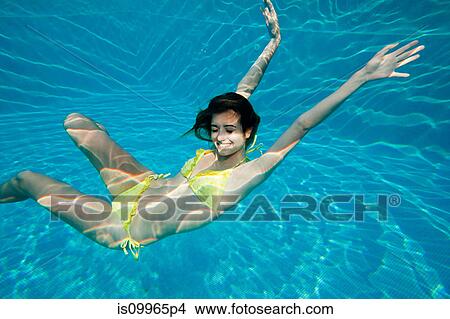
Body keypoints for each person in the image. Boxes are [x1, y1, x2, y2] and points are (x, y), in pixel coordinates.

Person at [0, 0, 424, 260]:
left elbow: (303, 123)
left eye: (231, 132)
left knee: (27, 179)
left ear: (250, 136)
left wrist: (361, 77)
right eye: (217, 130)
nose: (221, 137)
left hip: (120, 226)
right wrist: (274, 43)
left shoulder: (251, 172)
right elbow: (246, 87)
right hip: (140, 185)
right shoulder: (219, 142)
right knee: (76, 122)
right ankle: (92, 149)